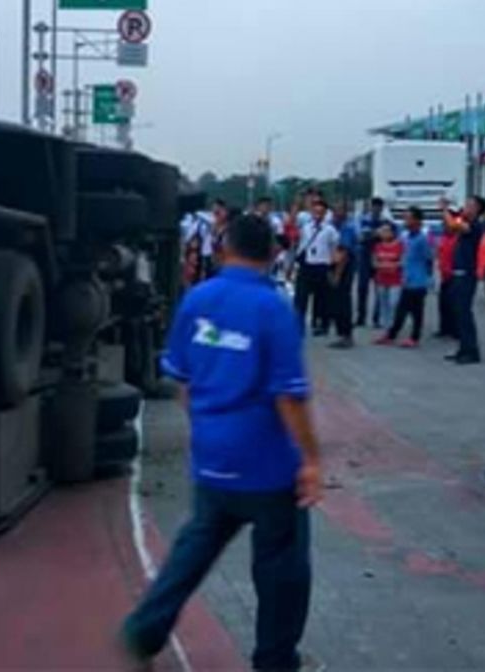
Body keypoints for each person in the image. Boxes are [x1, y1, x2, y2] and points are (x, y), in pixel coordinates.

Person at [120, 213, 322, 671]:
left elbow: (183, 380)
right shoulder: (275, 308)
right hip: (269, 468)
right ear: (273, 254)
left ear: (222, 249)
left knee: (195, 547)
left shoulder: (198, 299)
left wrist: (209, 430)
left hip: (213, 456)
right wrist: (310, 459)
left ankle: (143, 630)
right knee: (282, 570)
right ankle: (276, 661)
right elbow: (289, 395)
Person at [377, 207, 433, 348]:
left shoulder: (422, 239)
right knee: (403, 309)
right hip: (408, 279)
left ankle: (412, 337)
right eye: (405, 217)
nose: (405, 220)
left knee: (415, 311)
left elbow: (429, 258)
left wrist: (428, 278)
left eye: (408, 217)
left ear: (416, 220)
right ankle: (392, 335)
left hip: (418, 281)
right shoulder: (406, 236)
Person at [444, 196, 485, 364]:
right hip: (458, 272)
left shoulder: (476, 225)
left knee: (464, 313)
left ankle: (471, 350)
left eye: (470, 205)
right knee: (458, 313)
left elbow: (453, 225)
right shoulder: (466, 221)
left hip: (467, 273)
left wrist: (444, 209)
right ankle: (463, 348)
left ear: (478, 209)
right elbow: (451, 227)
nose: (466, 207)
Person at [294, 199, 338, 336]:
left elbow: (334, 248)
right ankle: (298, 326)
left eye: (321, 212)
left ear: (325, 214)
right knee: (301, 297)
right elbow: (301, 244)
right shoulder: (306, 227)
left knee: (322, 298)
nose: (318, 214)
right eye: (315, 212)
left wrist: (332, 267)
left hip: (322, 265)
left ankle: (322, 324)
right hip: (307, 264)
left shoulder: (330, 230)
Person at [328, 203, 358, 349]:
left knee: (343, 302)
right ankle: (342, 334)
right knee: (337, 302)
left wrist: (337, 275)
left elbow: (344, 253)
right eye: (335, 211)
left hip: (344, 267)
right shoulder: (334, 227)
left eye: (340, 210)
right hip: (335, 265)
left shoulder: (347, 228)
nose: (336, 214)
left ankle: (346, 335)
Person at [355, 198, 386, 327]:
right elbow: (360, 237)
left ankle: (376, 318)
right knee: (362, 288)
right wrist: (376, 234)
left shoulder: (385, 221)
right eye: (374, 207)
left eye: (378, 208)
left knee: (379, 289)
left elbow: (388, 236)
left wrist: (371, 235)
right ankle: (361, 317)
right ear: (371, 207)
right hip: (365, 256)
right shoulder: (363, 220)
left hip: (380, 256)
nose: (376, 210)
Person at [370, 222, 402, 330]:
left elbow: (402, 261)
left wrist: (391, 265)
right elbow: (374, 262)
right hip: (381, 278)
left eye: (387, 230)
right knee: (383, 302)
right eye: (383, 231)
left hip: (395, 279)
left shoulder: (399, 245)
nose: (384, 233)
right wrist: (382, 265)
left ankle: (394, 323)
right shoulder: (378, 246)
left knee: (393, 302)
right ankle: (385, 324)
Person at [434, 215, 460, 340]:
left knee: (453, 304)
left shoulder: (457, 239)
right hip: (444, 275)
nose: (445, 227)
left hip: (453, 275)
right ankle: (444, 328)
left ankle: (455, 330)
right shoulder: (443, 239)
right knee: (443, 303)